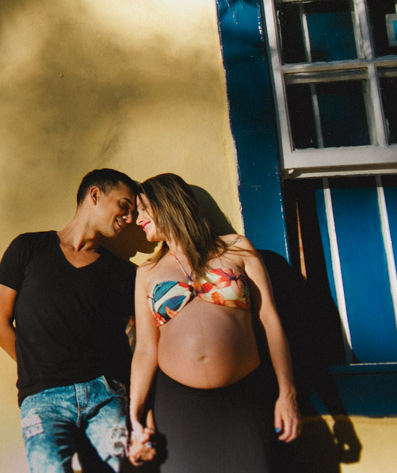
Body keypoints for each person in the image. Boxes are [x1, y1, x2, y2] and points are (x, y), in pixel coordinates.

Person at [127, 173, 300, 471]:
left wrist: (287, 394)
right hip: (178, 406)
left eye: (142, 207)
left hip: (243, 397)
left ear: (167, 204)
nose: (136, 218)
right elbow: (144, 348)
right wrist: (135, 413)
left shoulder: (236, 248)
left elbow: (269, 321)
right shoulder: (147, 272)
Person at [0, 168, 142, 472]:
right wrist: (39, 369)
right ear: (95, 195)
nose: (130, 218)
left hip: (105, 396)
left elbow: (138, 335)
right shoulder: (28, 249)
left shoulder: (123, 273)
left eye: (134, 212)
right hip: (43, 398)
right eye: (124, 205)